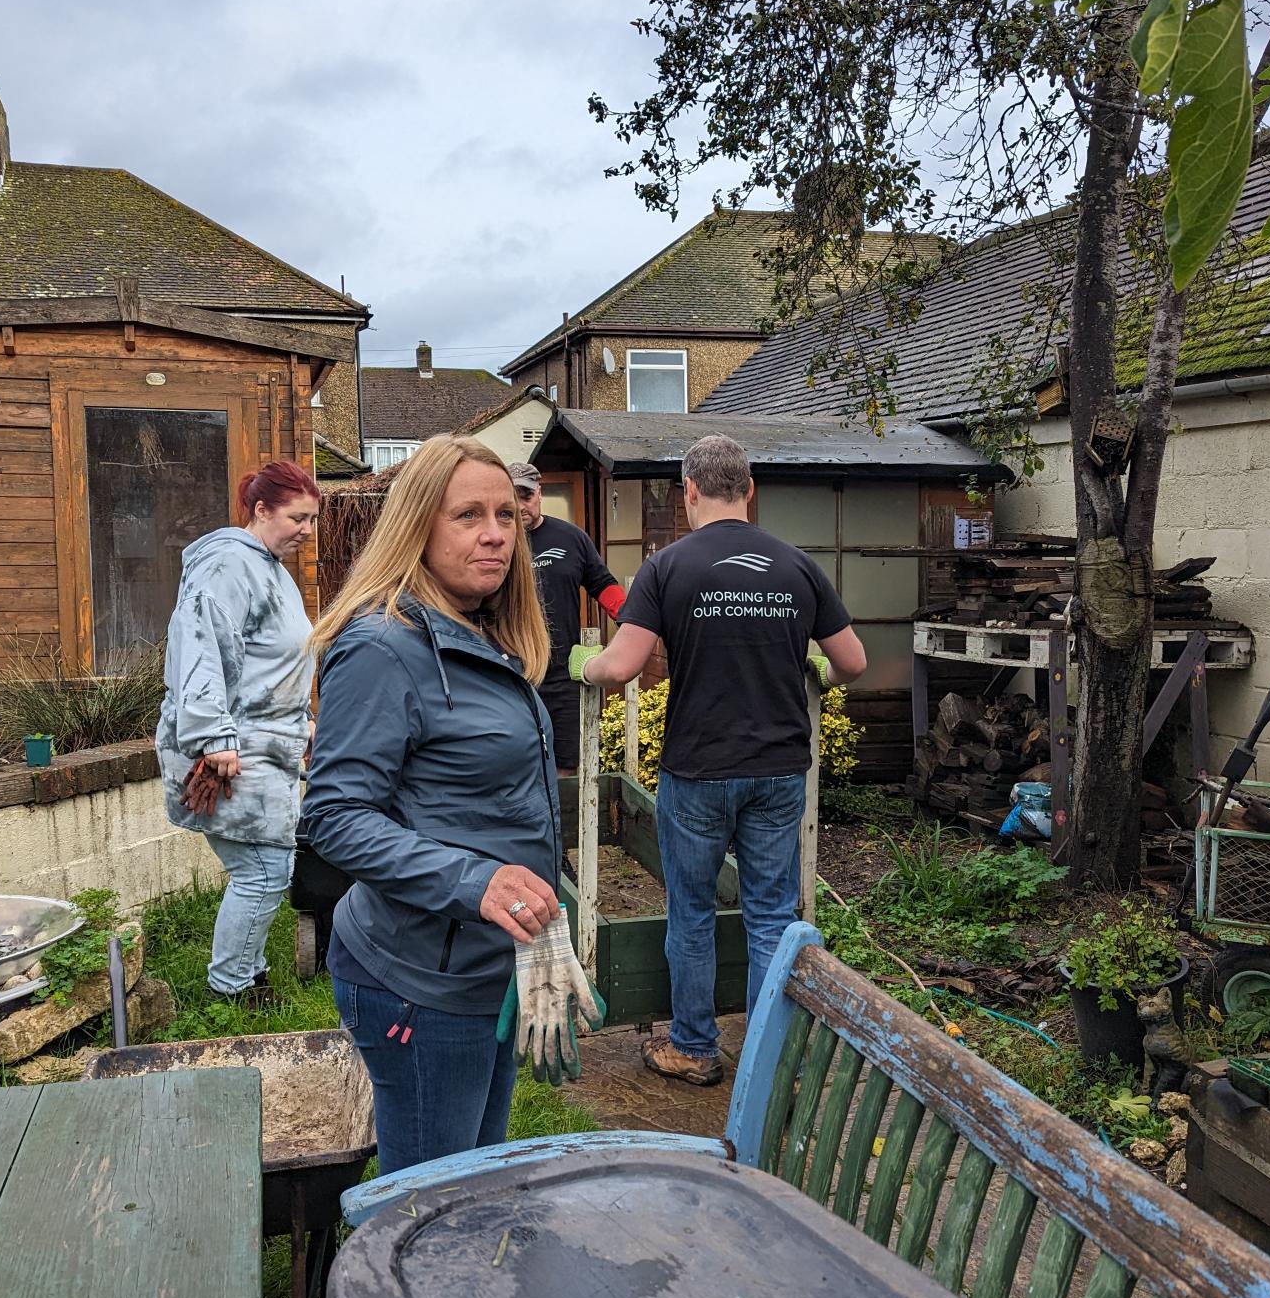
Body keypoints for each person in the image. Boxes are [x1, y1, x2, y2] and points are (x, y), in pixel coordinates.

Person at [305, 435, 603, 1174]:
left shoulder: (479, 632)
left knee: (475, 1179)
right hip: (418, 979)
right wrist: (478, 883)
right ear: (417, 525)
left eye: (505, 514)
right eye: (468, 515)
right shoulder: (384, 646)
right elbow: (334, 817)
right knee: (428, 1201)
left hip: (482, 963)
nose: (496, 533)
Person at [571, 434, 865, 1087]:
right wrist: (818, 671)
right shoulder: (796, 566)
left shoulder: (667, 567)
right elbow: (852, 661)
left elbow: (621, 666)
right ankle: (766, 1062)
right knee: (773, 917)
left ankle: (695, 1048)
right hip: (779, 770)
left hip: (698, 770)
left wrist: (582, 665)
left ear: (690, 492)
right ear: (749, 490)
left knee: (693, 914)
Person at [156, 460, 322, 1002]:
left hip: (264, 743)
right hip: (234, 748)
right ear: (261, 510)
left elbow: (269, 661)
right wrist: (213, 738)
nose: (307, 530)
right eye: (298, 518)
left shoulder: (268, 567)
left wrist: (303, 722)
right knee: (263, 870)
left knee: (265, 867)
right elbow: (200, 647)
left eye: (312, 519)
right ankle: (232, 987)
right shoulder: (227, 563)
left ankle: (247, 974)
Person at [509, 462, 624, 770]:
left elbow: (602, 583)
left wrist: (631, 620)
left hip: (562, 677)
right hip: (512, 675)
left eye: (526, 496)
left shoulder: (570, 538)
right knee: (516, 766)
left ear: (539, 493)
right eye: (511, 497)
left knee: (567, 766)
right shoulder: (496, 543)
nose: (520, 506)